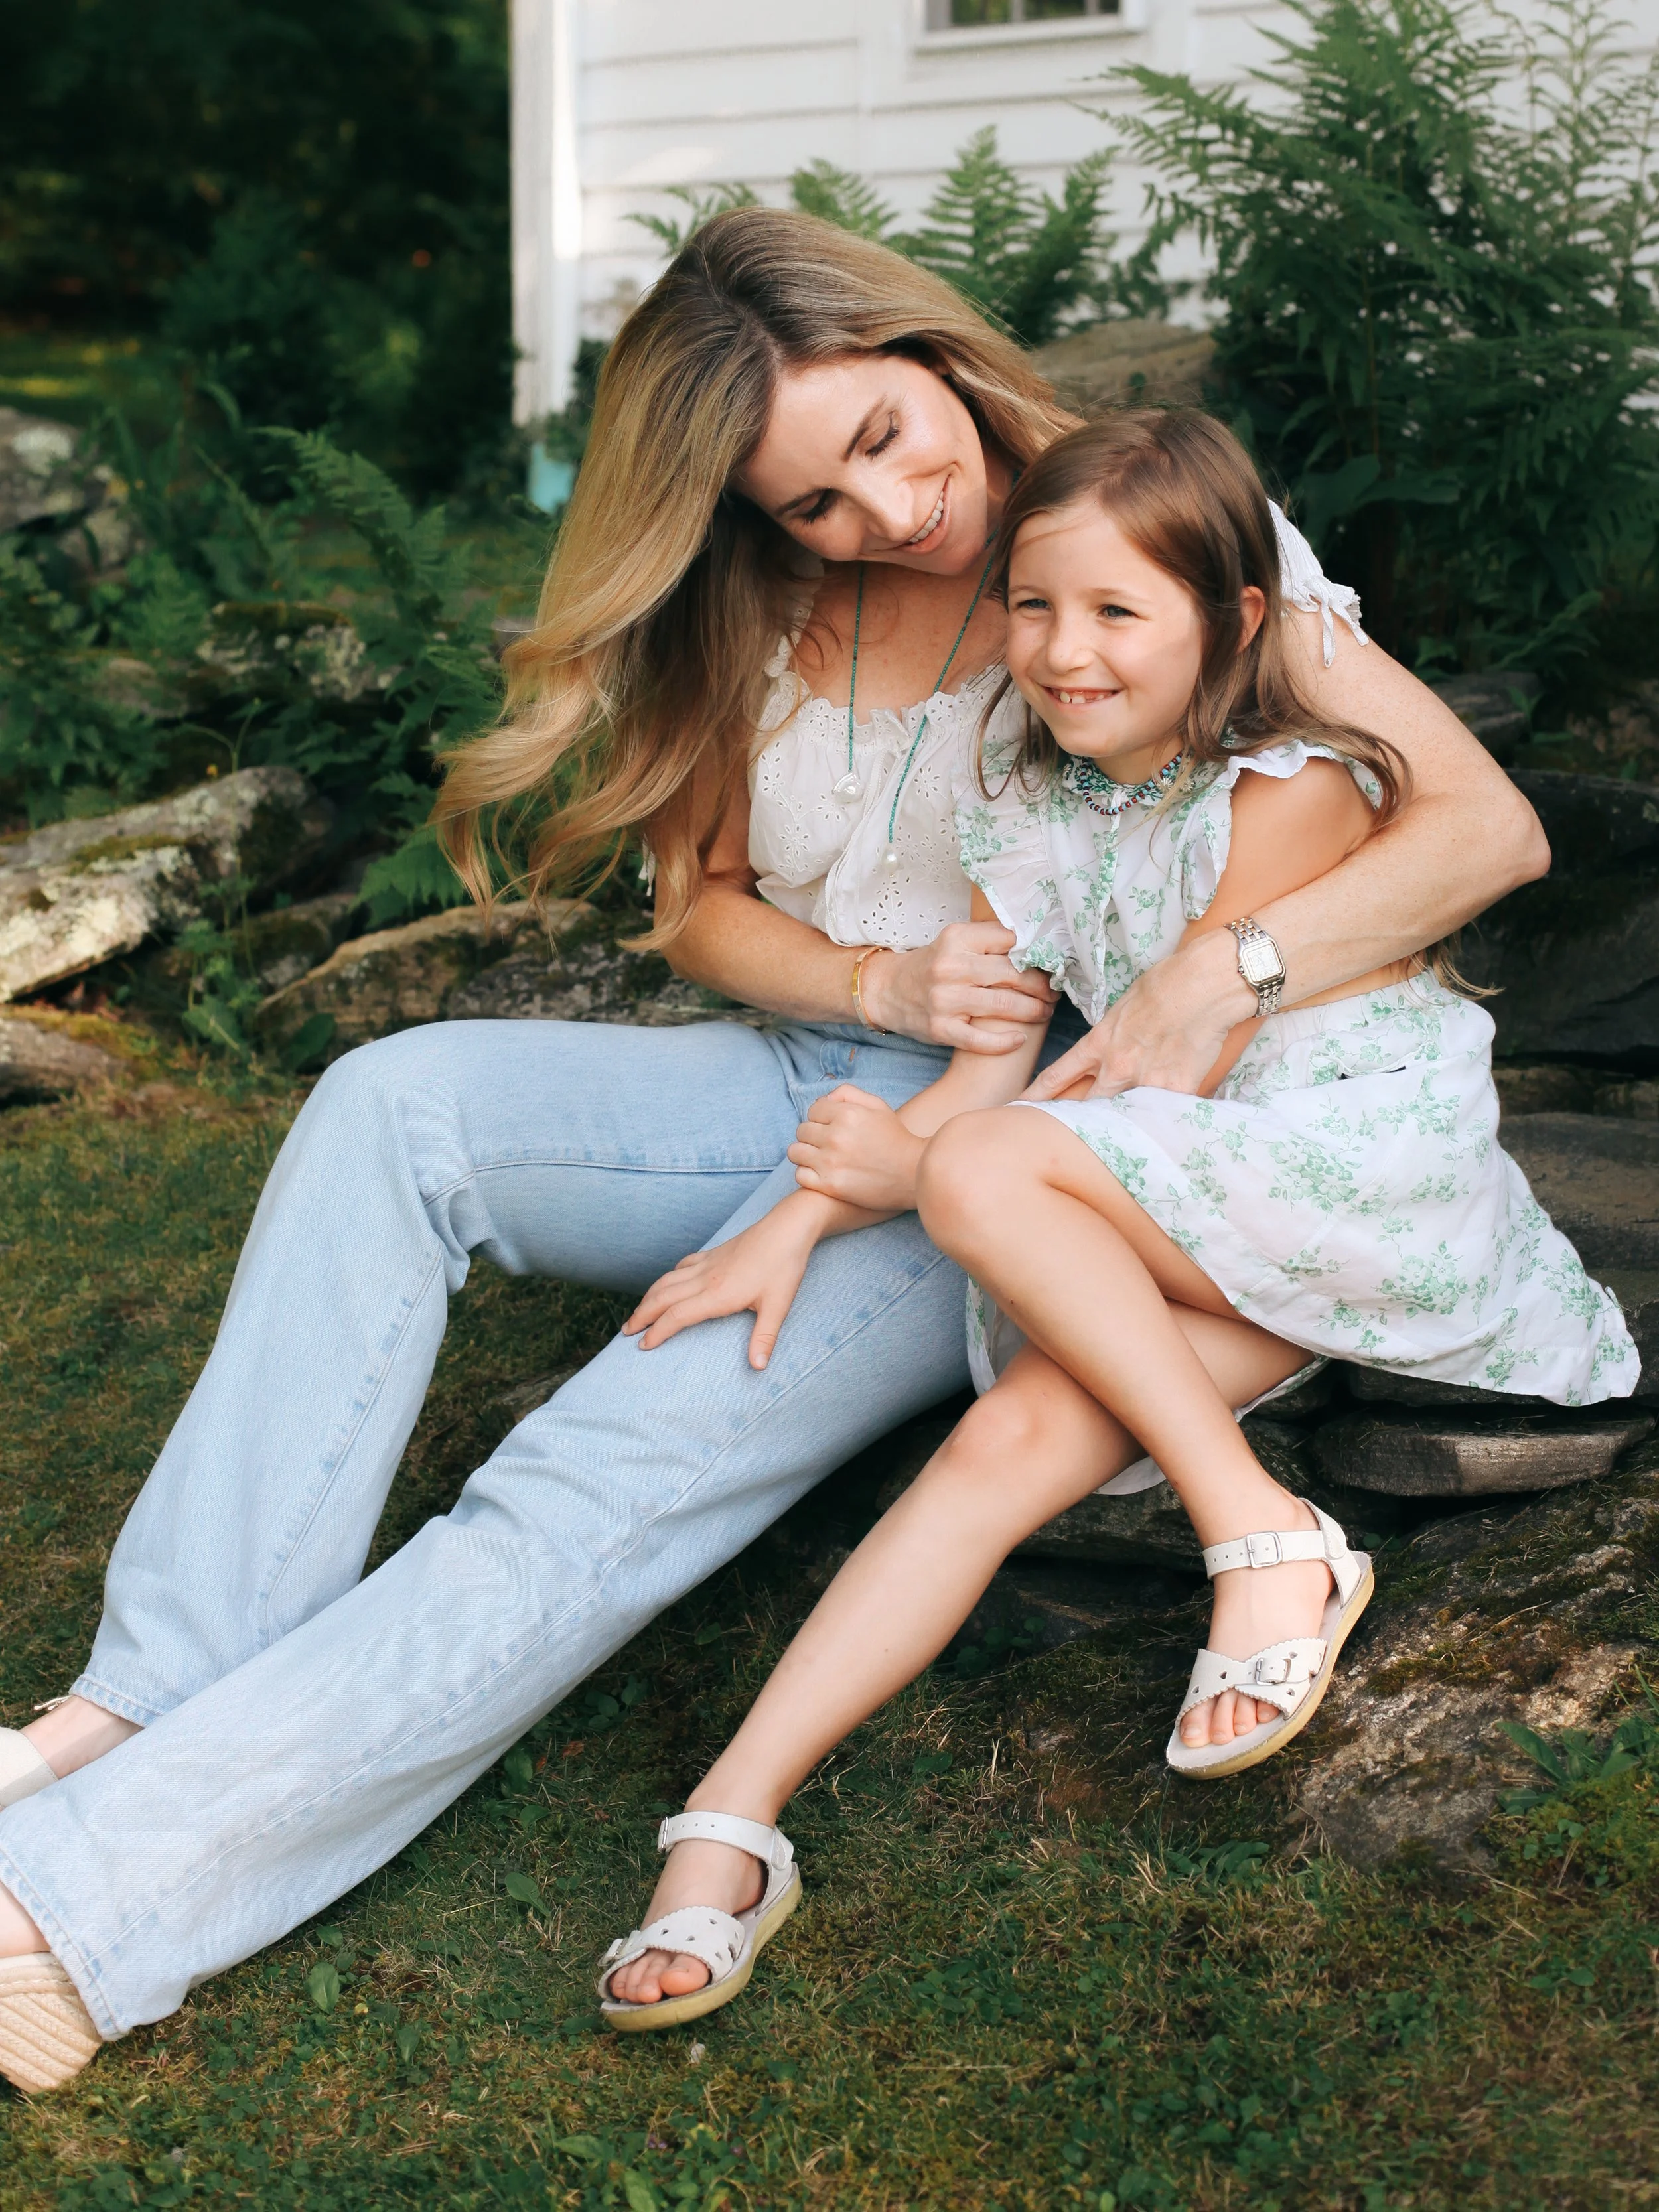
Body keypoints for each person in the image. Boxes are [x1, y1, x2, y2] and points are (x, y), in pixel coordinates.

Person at [0, 211, 1549, 2093]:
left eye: (890, 440)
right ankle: (148, 1687)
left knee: (610, 1439)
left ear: (933, 353)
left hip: (1011, 1135)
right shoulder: (756, 602)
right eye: (814, 499)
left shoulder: (1130, 537)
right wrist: (874, 970)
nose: (883, 516)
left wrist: (1215, 977)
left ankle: (87, 1909)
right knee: (388, 1103)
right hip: (816, 1055)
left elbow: (1475, 826)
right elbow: (701, 913)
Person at [596, 409, 1633, 2032]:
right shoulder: (1025, 808)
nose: (1064, 654)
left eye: (1114, 613)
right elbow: (990, 1062)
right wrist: (794, 1223)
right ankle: (729, 1821)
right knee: (1007, 1431)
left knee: (979, 1174)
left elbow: (1140, 1070)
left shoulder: (1286, 787)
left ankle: (1259, 1532)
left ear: (1228, 622)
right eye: (1031, 608)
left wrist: (917, 1166)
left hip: (1349, 1177)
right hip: (1189, 1202)